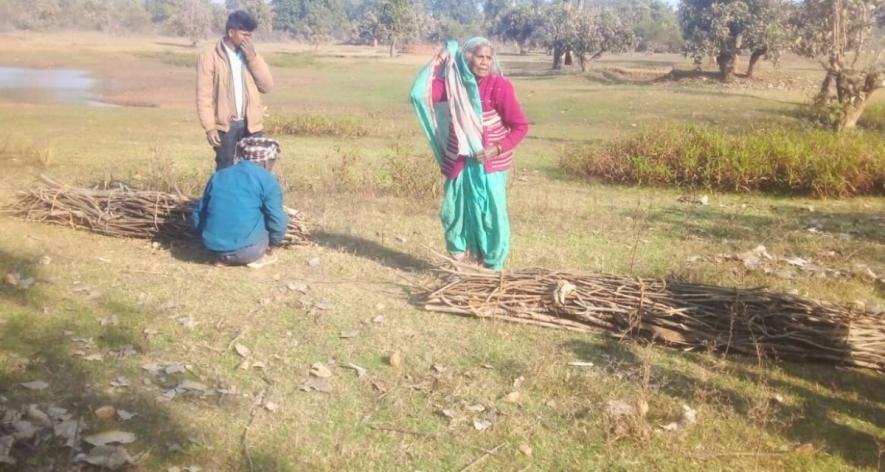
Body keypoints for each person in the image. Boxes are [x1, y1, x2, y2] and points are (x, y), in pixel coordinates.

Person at [410, 37, 528, 271]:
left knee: (491, 214)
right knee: (456, 210)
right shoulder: (454, 85)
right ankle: (460, 261)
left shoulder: (499, 86)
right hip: (461, 162)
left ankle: (491, 265)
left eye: (488, 58)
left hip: (489, 166)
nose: (484, 62)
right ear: (466, 58)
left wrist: (497, 148)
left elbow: (520, 126)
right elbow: (418, 95)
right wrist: (440, 59)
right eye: (479, 56)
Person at [192, 137, 288, 267]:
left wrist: (205, 237)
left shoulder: (219, 175)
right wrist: (272, 243)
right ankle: (253, 258)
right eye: (274, 160)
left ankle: (224, 258)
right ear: (266, 161)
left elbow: (198, 213)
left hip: (212, 249)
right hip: (249, 251)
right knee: (266, 219)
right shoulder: (267, 180)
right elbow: (277, 220)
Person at [197, 10, 274, 171]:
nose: (248, 40)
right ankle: (224, 197)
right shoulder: (210, 55)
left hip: (251, 124)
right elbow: (203, 95)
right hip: (225, 125)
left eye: (250, 36)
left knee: (255, 169)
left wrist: (253, 58)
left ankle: (249, 197)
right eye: (244, 35)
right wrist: (209, 127)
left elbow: (266, 86)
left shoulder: (251, 55)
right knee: (225, 169)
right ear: (231, 32)